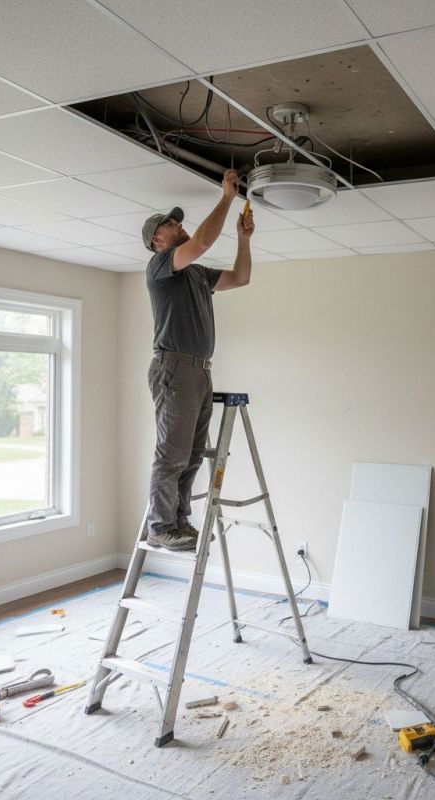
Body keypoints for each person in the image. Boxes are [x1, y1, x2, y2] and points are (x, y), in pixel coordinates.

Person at [141, 169, 255, 551]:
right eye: (173, 225)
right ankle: (160, 526)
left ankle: (179, 521)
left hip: (199, 370)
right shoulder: (161, 267)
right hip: (174, 367)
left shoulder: (196, 274)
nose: (180, 226)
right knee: (172, 453)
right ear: (158, 240)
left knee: (191, 455)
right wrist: (226, 198)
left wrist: (243, 239)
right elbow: (203, 241)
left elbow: (241, 278)